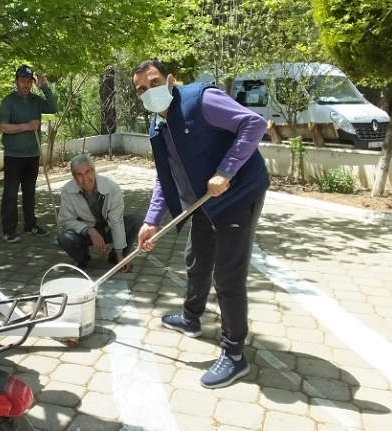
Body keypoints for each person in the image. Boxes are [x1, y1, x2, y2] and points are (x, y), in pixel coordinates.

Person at [132, 60, 269, 389]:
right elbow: (165, 178)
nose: (148, 92)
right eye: (140, 89)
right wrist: (152, 221)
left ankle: (235, 355)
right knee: (196, 258)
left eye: (154, 83)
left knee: (227, 274)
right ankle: (191, 319)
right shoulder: (159, 127)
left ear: (170, 81)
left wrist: (226, 170)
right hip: (205, 200)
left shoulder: (201, 100)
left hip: (237, 194)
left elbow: (254, 123)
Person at [0, 65, 59, 243]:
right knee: (10, 193)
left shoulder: (36, 101)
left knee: (30, 192)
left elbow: (54, 108)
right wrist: (26, 126)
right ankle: (9, 230)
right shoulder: (8, 101)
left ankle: (30, 225)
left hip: (32, 154)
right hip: (14, 156)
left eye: (28, 81)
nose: (25, 84)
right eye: (22, 81)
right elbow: (3, 127)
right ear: (16, 81)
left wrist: (44, 86)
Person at [57, 154, 142, 272]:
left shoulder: (112, 187)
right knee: (64, 238)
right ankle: (83, 258)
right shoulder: (67, 190)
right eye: (79, 174)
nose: (85, 178)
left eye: (87, 172)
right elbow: (66, 220)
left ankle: (117, 257)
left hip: (108, 230)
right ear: (74, 177)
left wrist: (119, 253)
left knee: (136, 220)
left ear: (94, 171)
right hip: (86, 233)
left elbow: (116, 221)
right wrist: (89, 230)